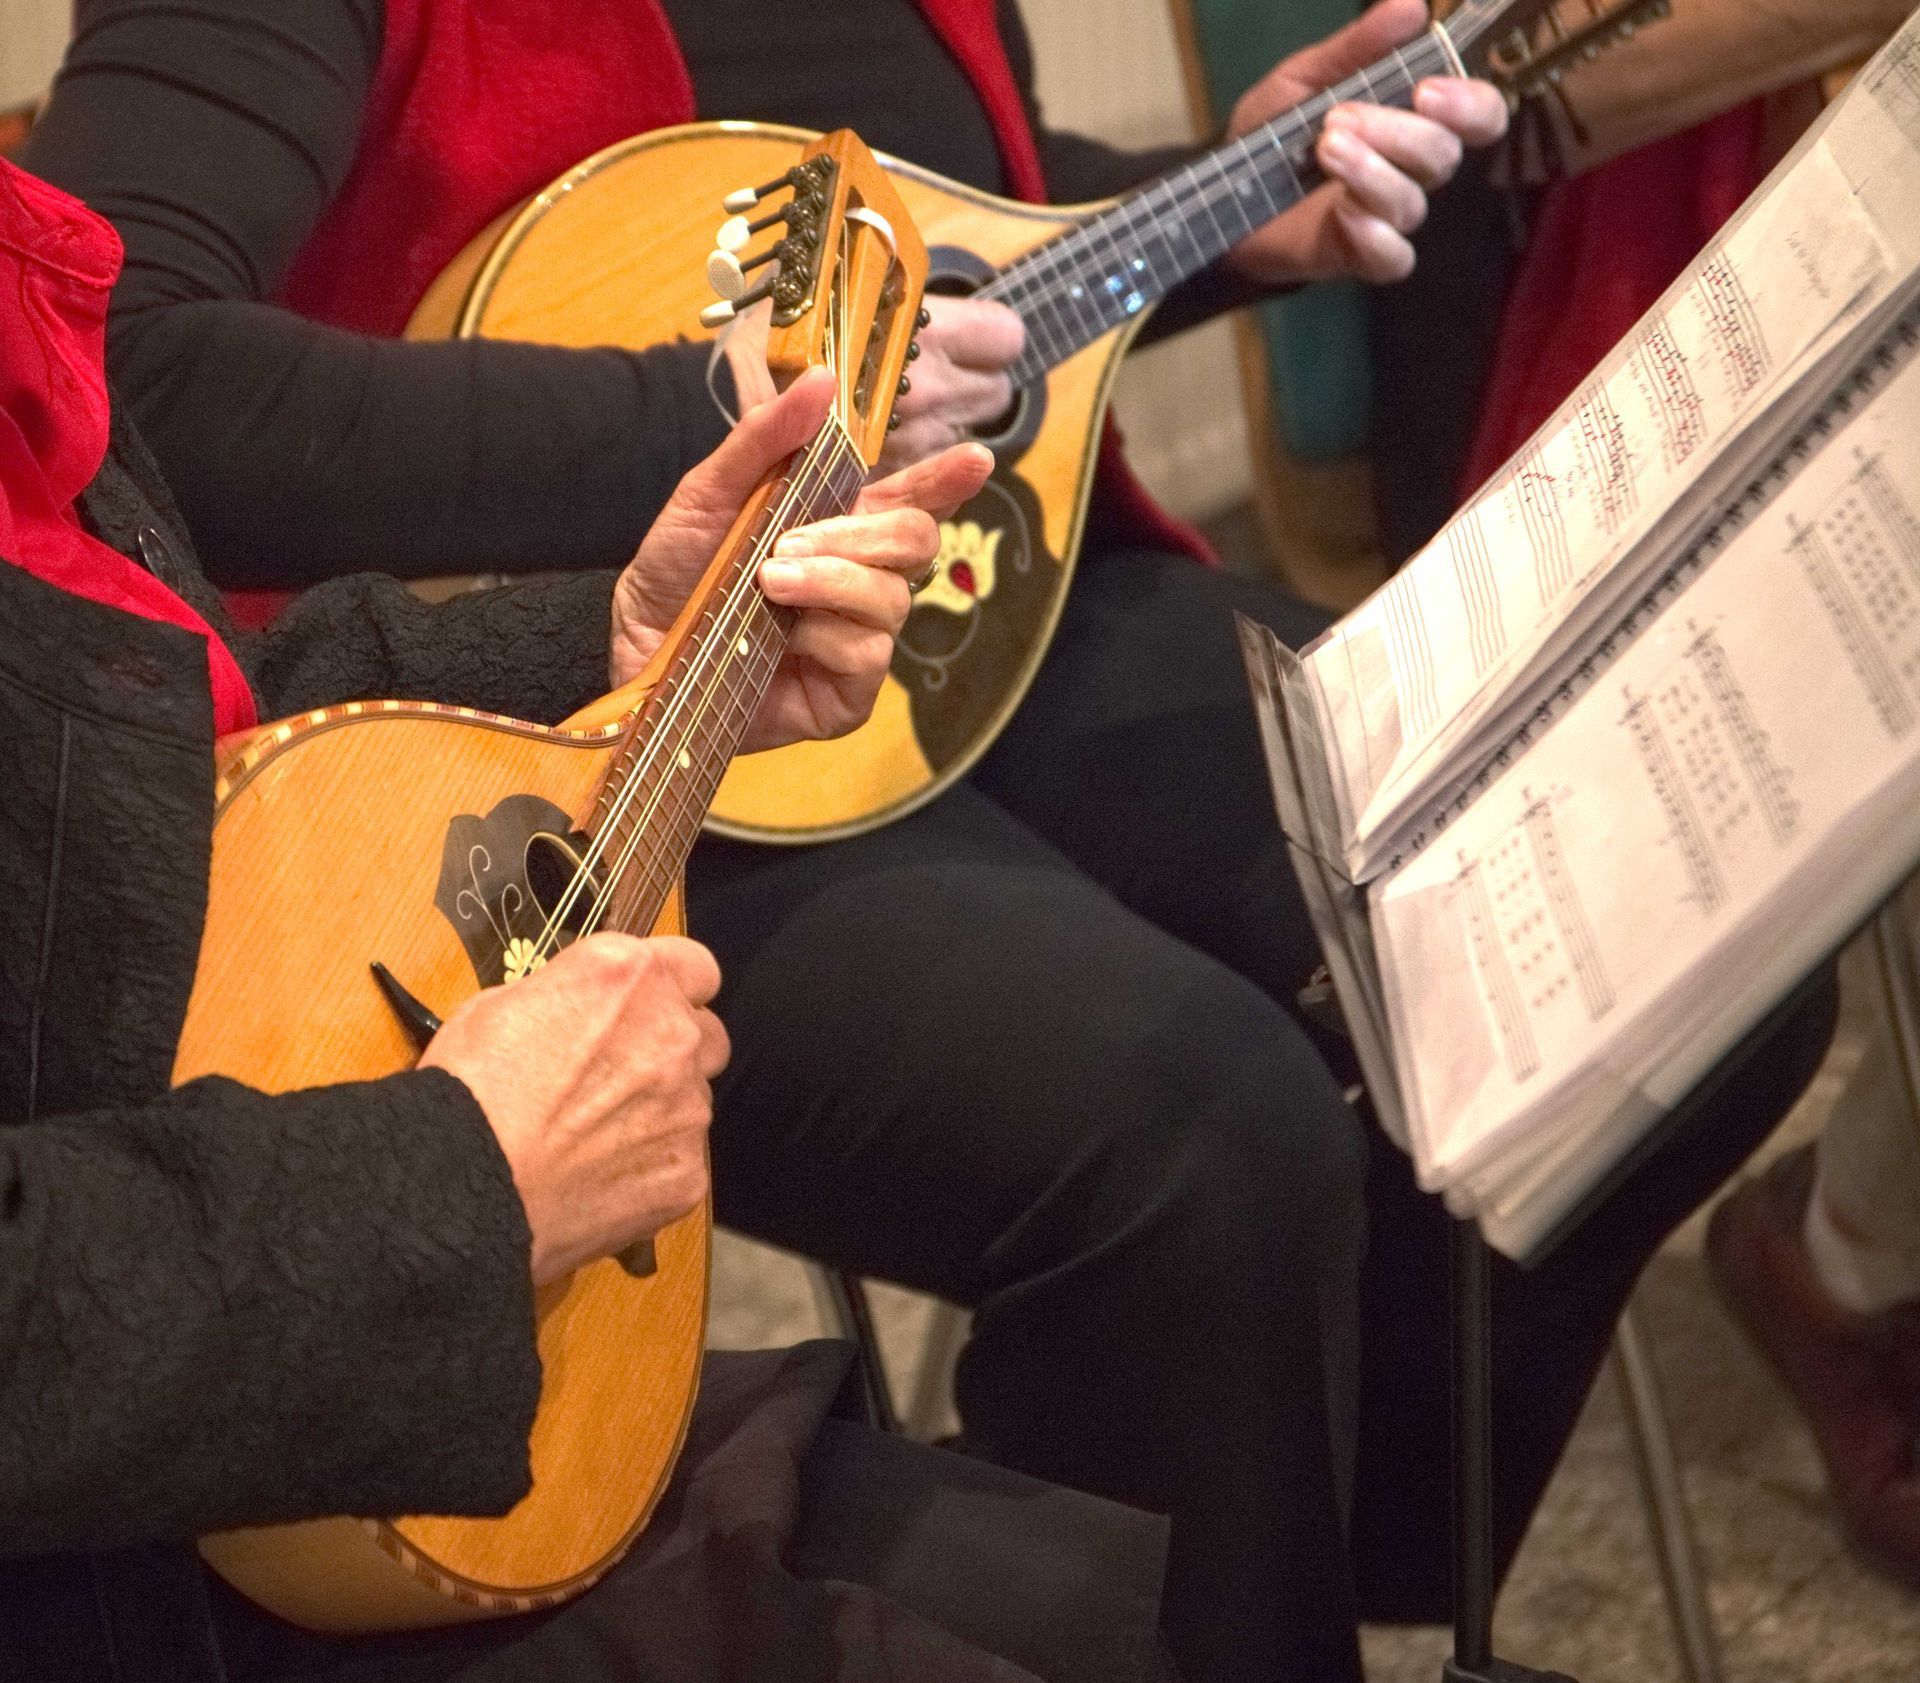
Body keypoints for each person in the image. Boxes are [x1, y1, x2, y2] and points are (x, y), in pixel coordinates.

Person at [22, 3, 1841, 1679]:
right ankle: (1208, 1584)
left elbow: (953, 239)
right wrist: (722, 413)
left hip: (989, 598)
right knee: (1198, 1132)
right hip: (558, 730)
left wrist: (1216, 214)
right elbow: (129, 376)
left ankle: (1311, 1560)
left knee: (1687, 961)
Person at [0, 152, 1191, 1683]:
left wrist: (611, 647)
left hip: (286, 1290)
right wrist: (465, 1179)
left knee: (1080, 1597)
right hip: (166, 1492)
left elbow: (156, 718)